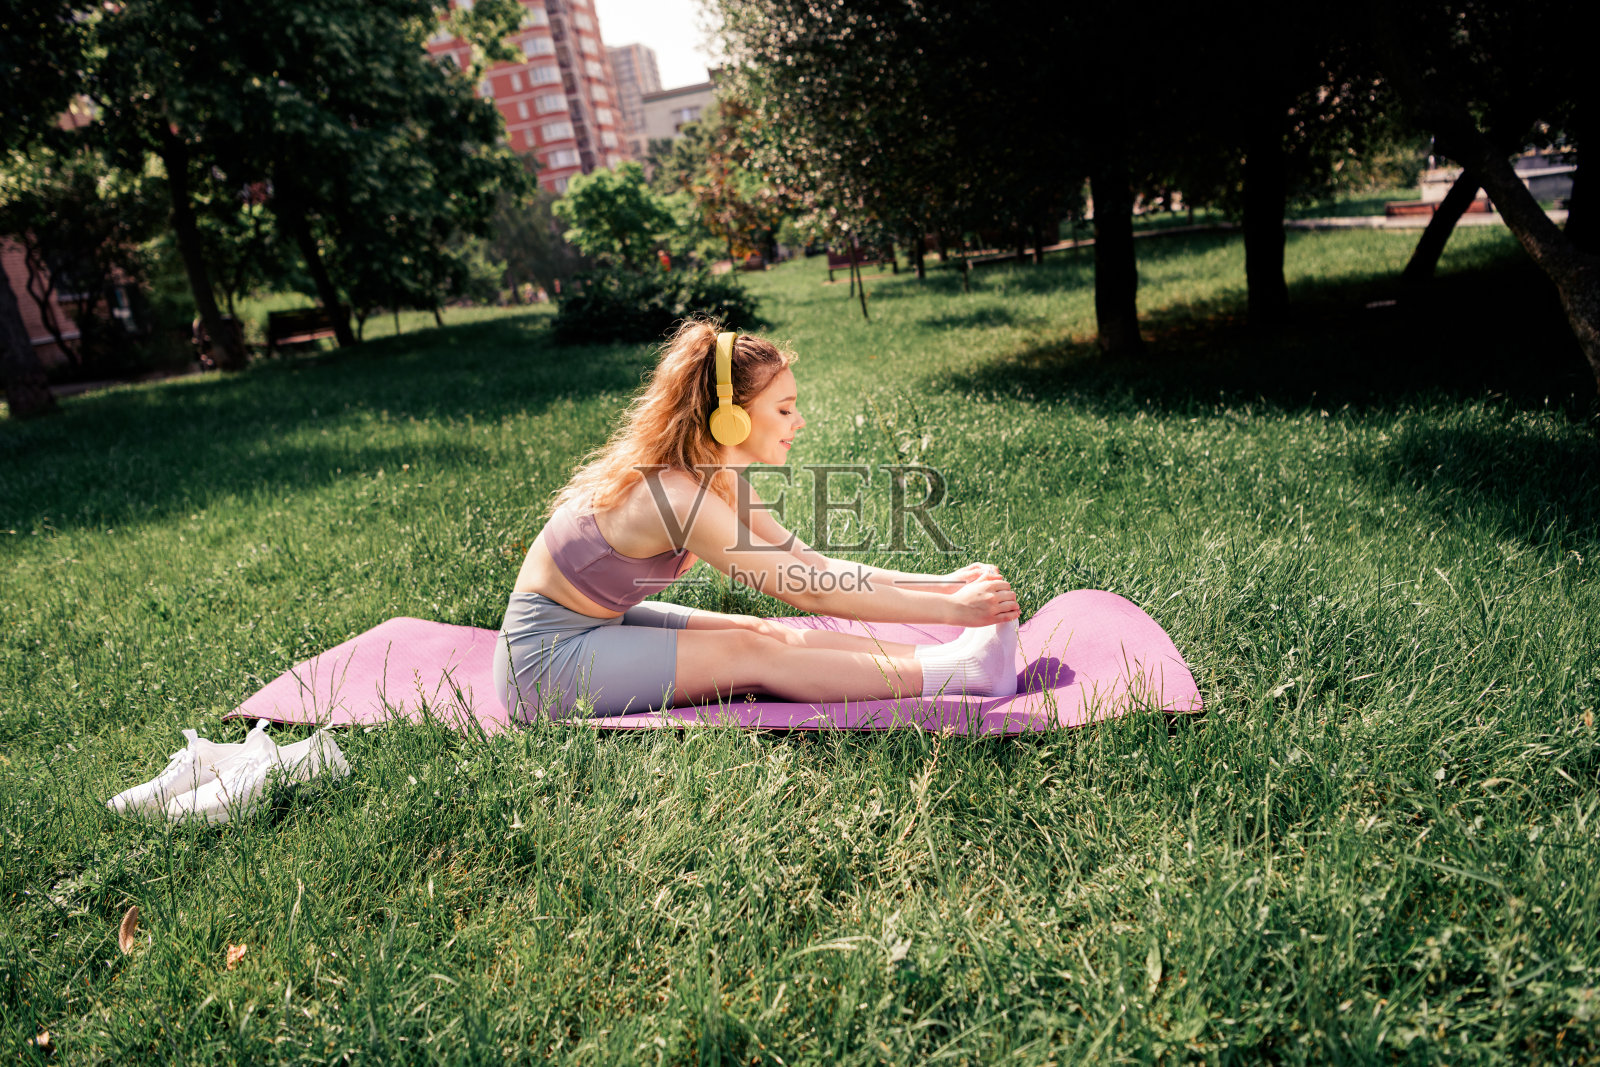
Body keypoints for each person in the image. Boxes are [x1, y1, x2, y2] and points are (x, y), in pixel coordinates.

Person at [494, 319, 1021, 720]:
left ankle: (953, 660)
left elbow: (811, 565)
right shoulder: (678, 499)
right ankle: (964, 671)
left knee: (758, 629)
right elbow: (809, 592)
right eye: (785, 408)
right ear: (731, 415)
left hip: (597, 625)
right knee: (750, 651)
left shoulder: (713, 478)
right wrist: (960, 611)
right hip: (542, 665)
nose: (800, 421)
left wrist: (945, 588)